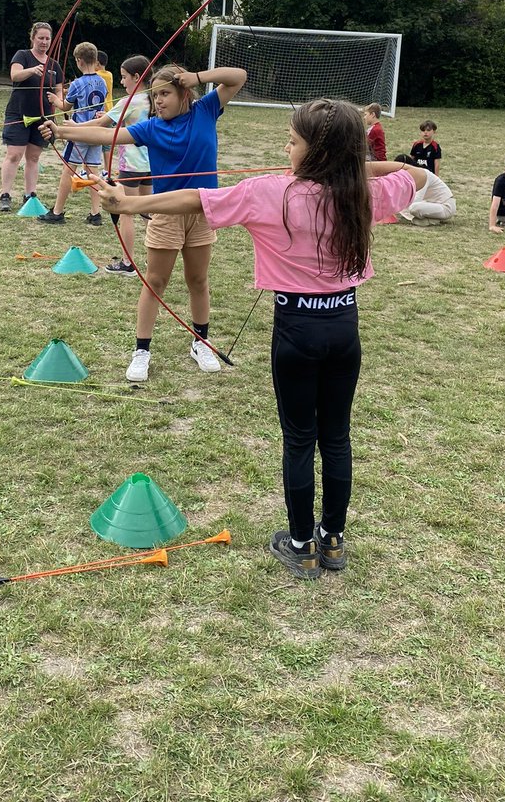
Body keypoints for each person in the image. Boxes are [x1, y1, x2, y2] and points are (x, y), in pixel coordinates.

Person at [93, 99, 424, 579]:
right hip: (343, 329)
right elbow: (412, 173)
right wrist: (350, 167)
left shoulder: (271, 192)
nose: (284, 148)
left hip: (296, 331)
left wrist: (129, 203)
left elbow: (196, 198)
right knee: (335, 436)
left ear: (317, 151)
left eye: (292, 142)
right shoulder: (364, 194)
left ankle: (300, 544)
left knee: (299, 439)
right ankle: (331, 540)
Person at [43, 64, 247, 381]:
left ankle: (201, 341)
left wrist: (198, 78)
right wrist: (62, 130)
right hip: (166, 213)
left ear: (184, 93)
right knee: (156, 282)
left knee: (198, 280)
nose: (159, 102)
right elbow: (108, 134)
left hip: (204, 211)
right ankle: (142, 350)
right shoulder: (152, 128)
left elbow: (238, 77)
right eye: (155, 97)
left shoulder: (206, 110)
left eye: (165, 93)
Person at [58, 54, 153, 274]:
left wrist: (74, 126)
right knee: (148, 210)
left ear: (137, 77)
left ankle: (128, 264)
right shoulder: (153, 98)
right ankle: (152, 259)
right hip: (151, 164)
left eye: (124, 77)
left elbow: (101, 124)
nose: (121, 82)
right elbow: (112, 119)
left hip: (132, 166)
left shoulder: (129, 101)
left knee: (127, 212)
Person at [37, 42, 107, 226]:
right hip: (96, 132)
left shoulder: (78, 83)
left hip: (79, 133)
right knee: (93, 172)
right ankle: (95, 213)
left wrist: (55, 99)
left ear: (79, 61)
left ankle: (57, 211)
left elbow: (65, 106)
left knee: (68, 171)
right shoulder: (102, 81)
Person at [0, 21, 64, 213]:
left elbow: (59, 90)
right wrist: (32, 71)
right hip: (19, 113)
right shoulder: (23, 56)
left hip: (43, 118)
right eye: (40, 38)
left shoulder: (54, 65)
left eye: (47, 38)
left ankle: (30, 195)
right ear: (33, 38)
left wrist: (59, 100)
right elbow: (15, 75)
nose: (44, 42)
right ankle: (5, 195)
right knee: (14, 155)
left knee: (33, 157)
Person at [392, 155, 456, 223]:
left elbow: (416, 200)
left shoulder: (422, 175)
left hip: (446, 207)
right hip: (429, 204)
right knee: (405, 206)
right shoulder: (411, 178)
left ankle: (430, 220)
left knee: (413, 208)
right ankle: (429, 220)